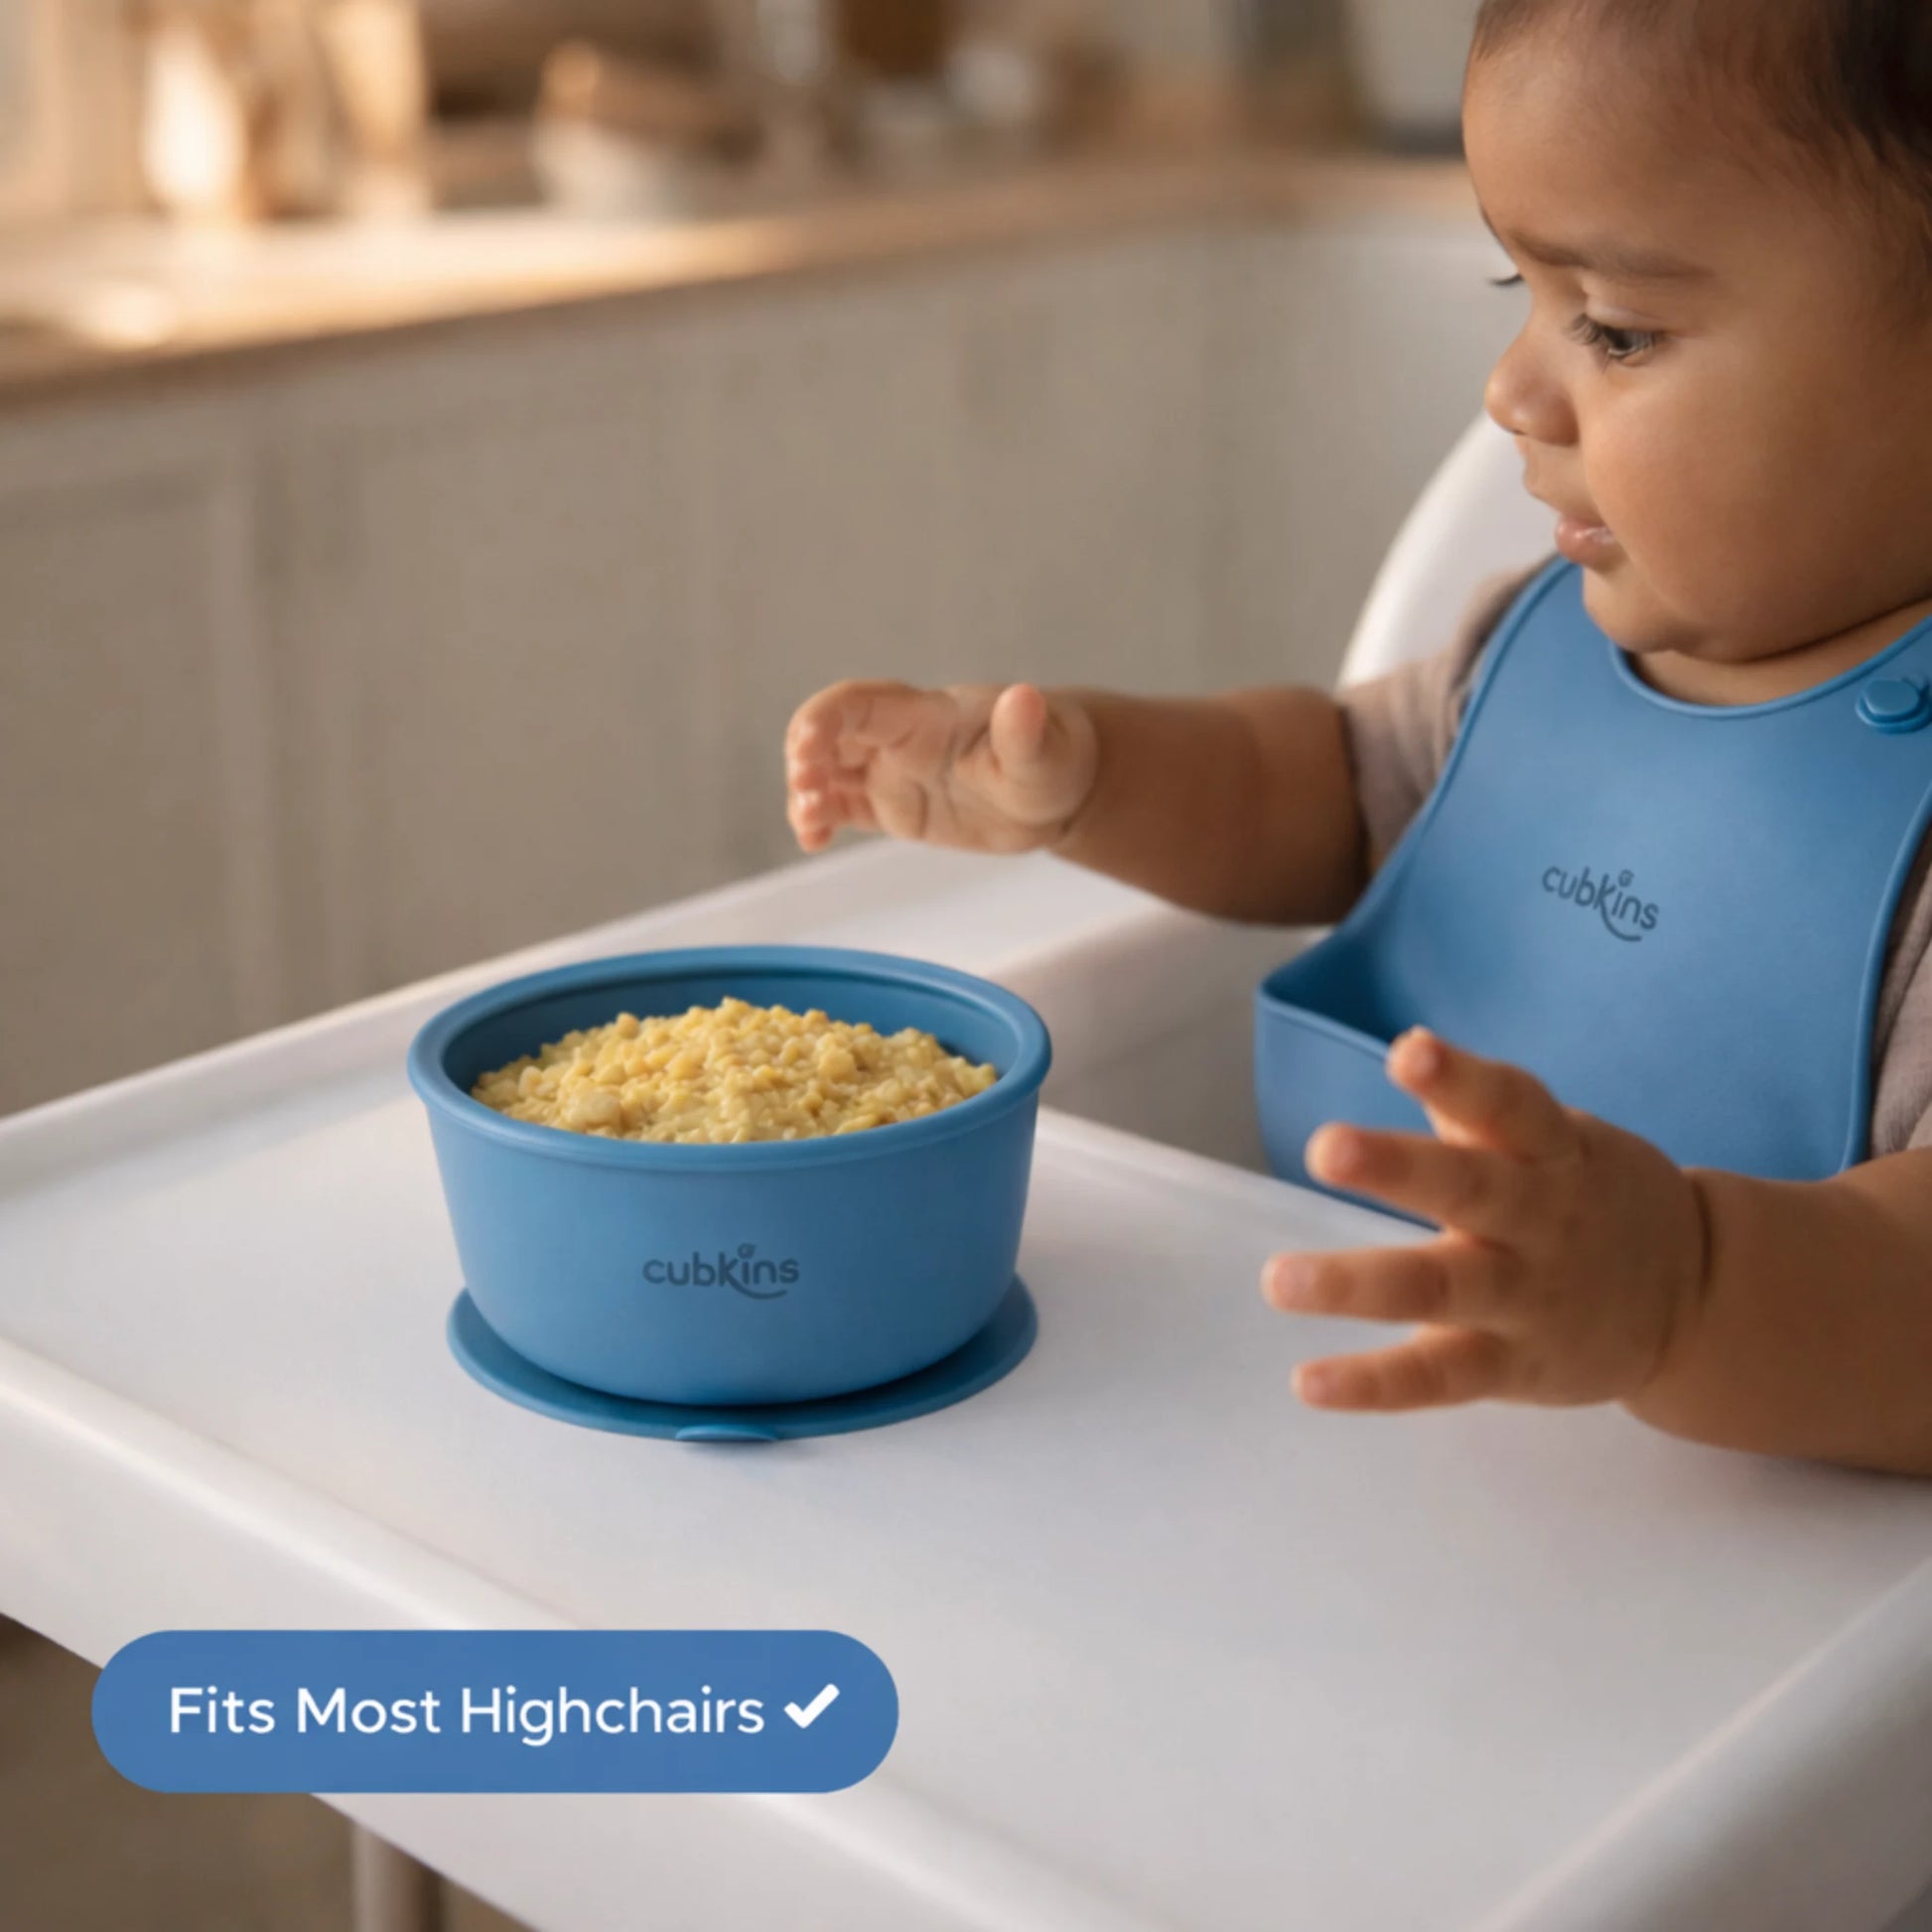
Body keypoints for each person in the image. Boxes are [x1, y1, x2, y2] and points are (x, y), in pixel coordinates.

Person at [780, 0, 1932, 1476]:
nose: (1508, 390)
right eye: (1515, 288)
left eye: (1616, 328)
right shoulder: (1532, 647)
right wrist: (1087, 777)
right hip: (1328, 1476)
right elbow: (1321, 784)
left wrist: (1683, 1287)